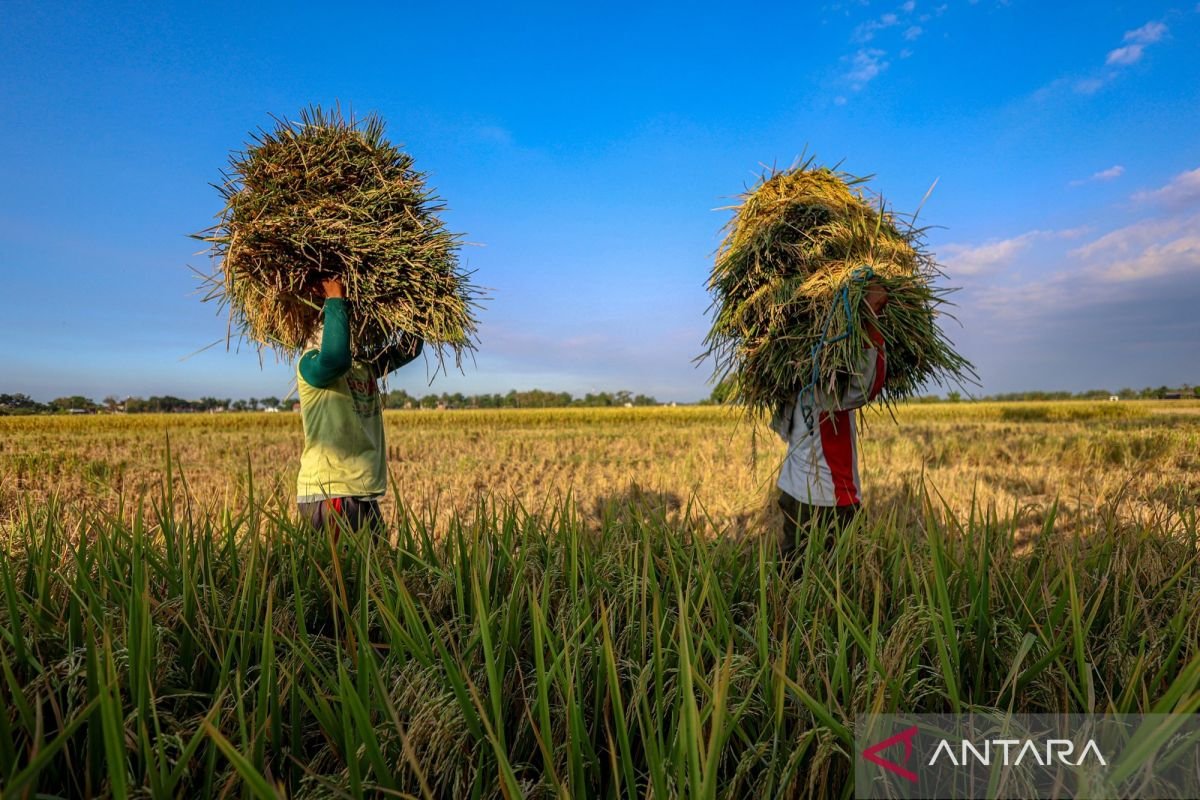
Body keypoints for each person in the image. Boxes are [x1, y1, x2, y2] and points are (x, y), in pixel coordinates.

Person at [296, 278, 423, 537]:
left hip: (360, 492)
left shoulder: (363, 366)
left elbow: (409, 348)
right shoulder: (310, 365)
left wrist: (419, 303)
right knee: (342, 577)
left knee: (374, 573)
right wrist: (334, 297)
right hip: (330, 491)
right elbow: (334, 358)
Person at [771, 282, 888, 558]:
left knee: (793, 570)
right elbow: (867, 388)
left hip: (792, 490)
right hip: (829, 498)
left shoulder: (788, 388)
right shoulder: (823, 391)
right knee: (844, 577)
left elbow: (781, 429)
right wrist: (870, 317)